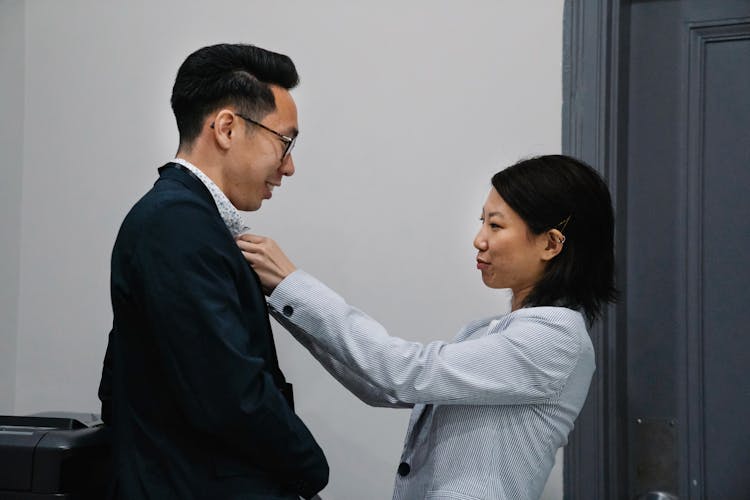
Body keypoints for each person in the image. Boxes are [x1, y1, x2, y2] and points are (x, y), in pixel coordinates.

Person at [237, 154, 617, 500]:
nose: (479, 240)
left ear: (551, 243)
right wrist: (282, 298)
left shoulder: (554, 339)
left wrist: (292, 284)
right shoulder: (495, 332)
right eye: (482, 221)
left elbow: (403, 373)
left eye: (496, 225)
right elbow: (379, 385)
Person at [97, 43, 329, 500]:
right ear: (226, 128)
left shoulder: (185, 219)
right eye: (285, 141)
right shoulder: (177, 225)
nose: (289, 166)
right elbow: (231, 394)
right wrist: (311, 469)